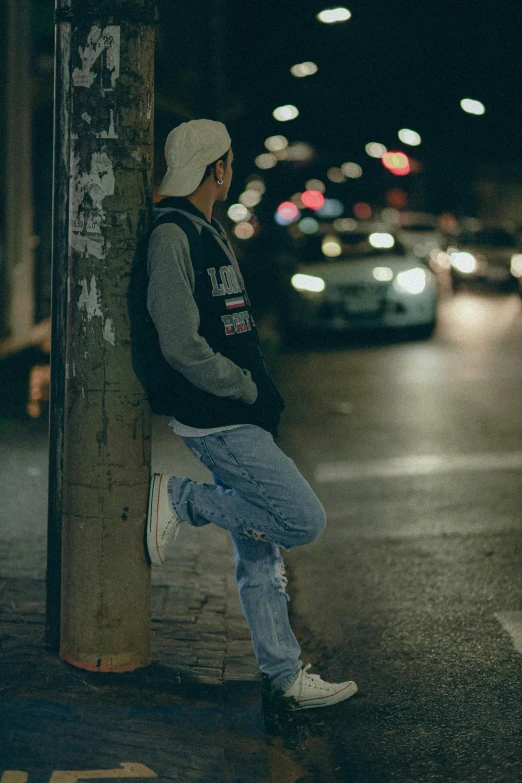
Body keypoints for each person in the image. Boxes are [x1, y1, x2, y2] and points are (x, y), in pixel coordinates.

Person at [143, 119, 357, 709]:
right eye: (231, 162)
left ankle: (284, 677)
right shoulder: (173, 235)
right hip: (219, 416)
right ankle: (180, 500)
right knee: (301, 520)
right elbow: (180, 342)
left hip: (236, 411)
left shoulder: (203, 228)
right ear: (219, 167)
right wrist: (241, 388)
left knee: (259, 555)